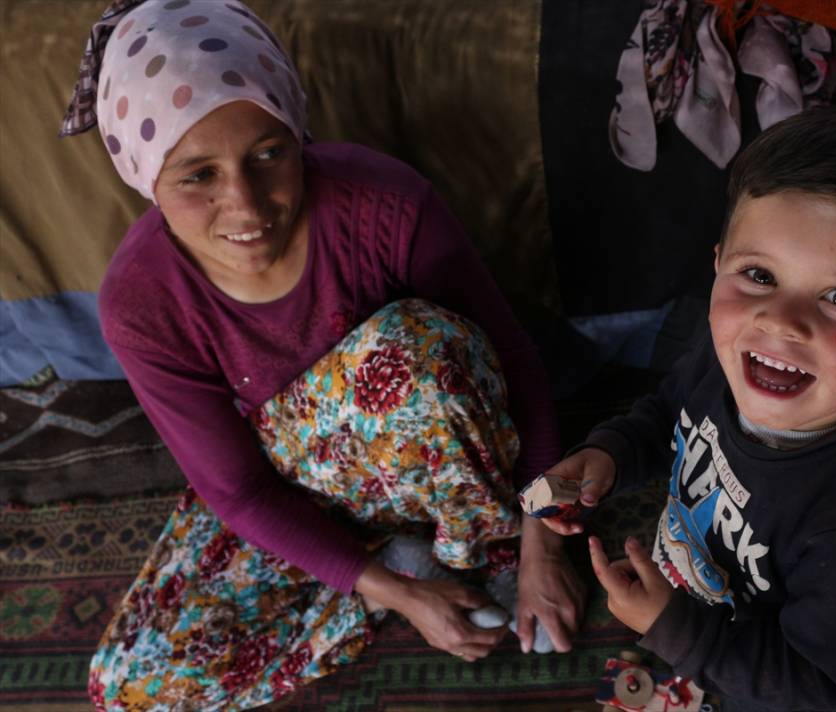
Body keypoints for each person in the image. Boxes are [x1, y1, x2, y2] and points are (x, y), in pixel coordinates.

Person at [60, 1, 583, 709]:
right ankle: (388, 567)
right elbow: (238, 490)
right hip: (291, 479)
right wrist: (398, 595)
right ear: (144, 177)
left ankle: (482, 553)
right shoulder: (140, 300)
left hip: (442, 462)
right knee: (127, 683)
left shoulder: (384, 205)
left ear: (295, 132)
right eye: (197, 175)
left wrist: (542, 544)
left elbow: (514, 360)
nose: (245, 204)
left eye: (268, 154)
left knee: (410, 353)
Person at [540, 107, 836, 710]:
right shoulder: (731, 353)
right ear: (720, 262)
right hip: (722, 596)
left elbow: (817, 686)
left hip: (811, 647)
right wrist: (608, 456)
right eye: (759, 274)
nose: (777, 319)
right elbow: (668, 410)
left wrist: (675, 630)